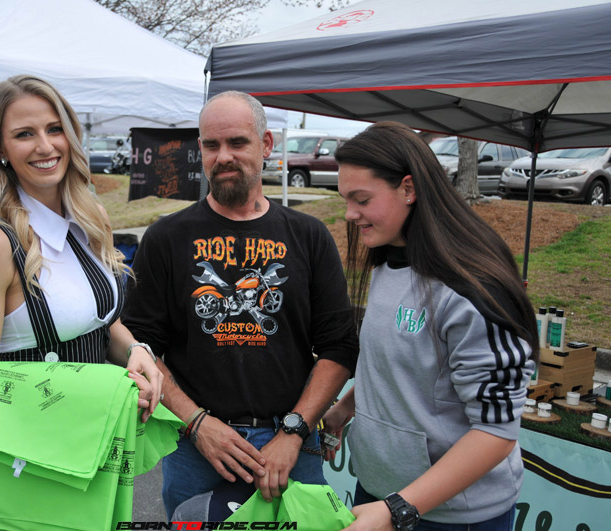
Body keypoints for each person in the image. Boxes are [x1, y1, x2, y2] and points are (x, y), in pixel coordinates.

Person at [121, 90, 359, 518]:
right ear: (200, 149)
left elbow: (339, 347)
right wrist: (197, 424)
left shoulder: (309, 236)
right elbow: (139, 347)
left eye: (237, 142)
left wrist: (293, 431)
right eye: (212, 145)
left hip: (291, 444)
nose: (223, 156)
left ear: (265, 145)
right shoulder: (166, 238)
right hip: (197, 449)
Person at [0, 74, 164, 531]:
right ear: (0, 149)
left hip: (88, 458)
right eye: (24, 134)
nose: (45, 146)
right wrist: (101, 395)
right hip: (18, 468)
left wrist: (137, 351)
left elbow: (97, 321)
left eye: (54, 129)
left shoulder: (90, 219)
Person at [322, 122, 538, 531]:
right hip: (381, 496)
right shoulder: (387, 263)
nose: (349, 214)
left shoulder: (472, 288)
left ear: (409, 188)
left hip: (451, 517)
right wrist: (344, 409)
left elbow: (495, 432)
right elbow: (399, 368)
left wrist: (397, 509)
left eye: (361, 199)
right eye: (345, 199)